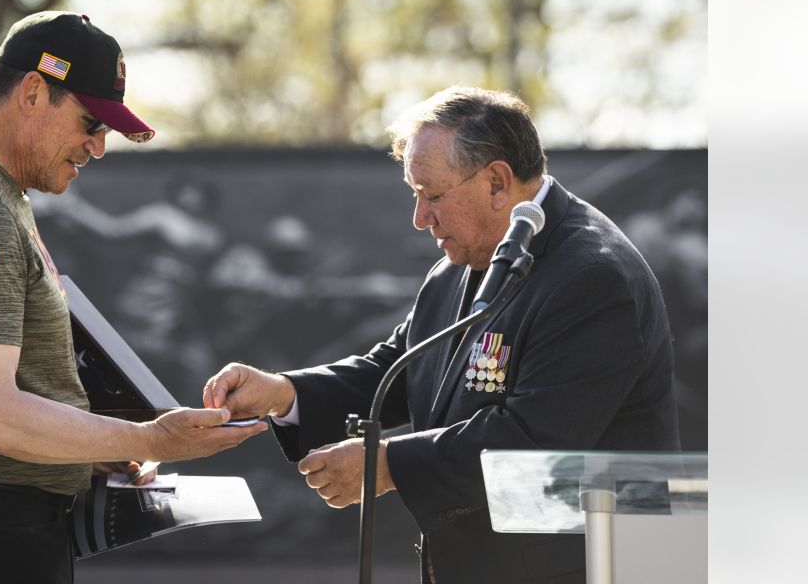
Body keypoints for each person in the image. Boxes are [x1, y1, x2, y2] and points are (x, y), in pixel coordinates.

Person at [203, 86, 680, 584]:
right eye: (415, 195)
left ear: (497, 182)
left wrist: (386, 465)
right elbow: (402, 369)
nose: (419, 218)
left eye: (432, 195)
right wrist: (284, 393)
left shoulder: (593, 276)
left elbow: (533, 442)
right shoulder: (467, 258)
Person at [0, 11, 266, 584]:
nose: (98, 147)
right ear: (33, 91)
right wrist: (149, 438)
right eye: (90, 122)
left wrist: (86, 444)